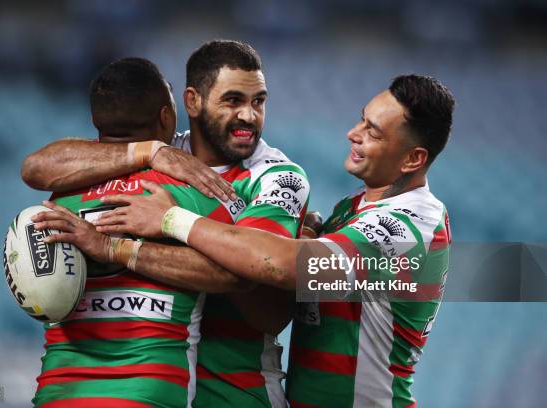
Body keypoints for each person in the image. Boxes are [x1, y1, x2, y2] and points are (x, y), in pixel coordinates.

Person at [75, 74, 455, 407]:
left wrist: (171, 219)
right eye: (361, 119)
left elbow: (287, 266)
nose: (353, 133)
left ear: (412, 159)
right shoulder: (351, 208)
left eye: (373, 132)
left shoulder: (409, 225)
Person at [26, 40, 310, 407]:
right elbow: (37, 167)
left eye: (259, 102)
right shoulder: (157, 153)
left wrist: (169, 223)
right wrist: (150, 152)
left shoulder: (276, 177)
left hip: (235, 394)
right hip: (161, 389)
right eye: (233, 101)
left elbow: (267, 305)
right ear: (190, 102)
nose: (249, 116)